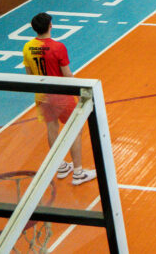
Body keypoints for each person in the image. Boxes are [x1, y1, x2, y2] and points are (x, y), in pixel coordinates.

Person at [22, 13, 97, 186]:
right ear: (50, 26)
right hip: (61, 95)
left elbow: (29, 75)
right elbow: (67, 74)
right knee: (75, 130)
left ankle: (61, 166)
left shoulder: (27, 47)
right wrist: (80, 92)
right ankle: (78, 172)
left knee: (52, 128)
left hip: (42, 95)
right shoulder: (58, 47)